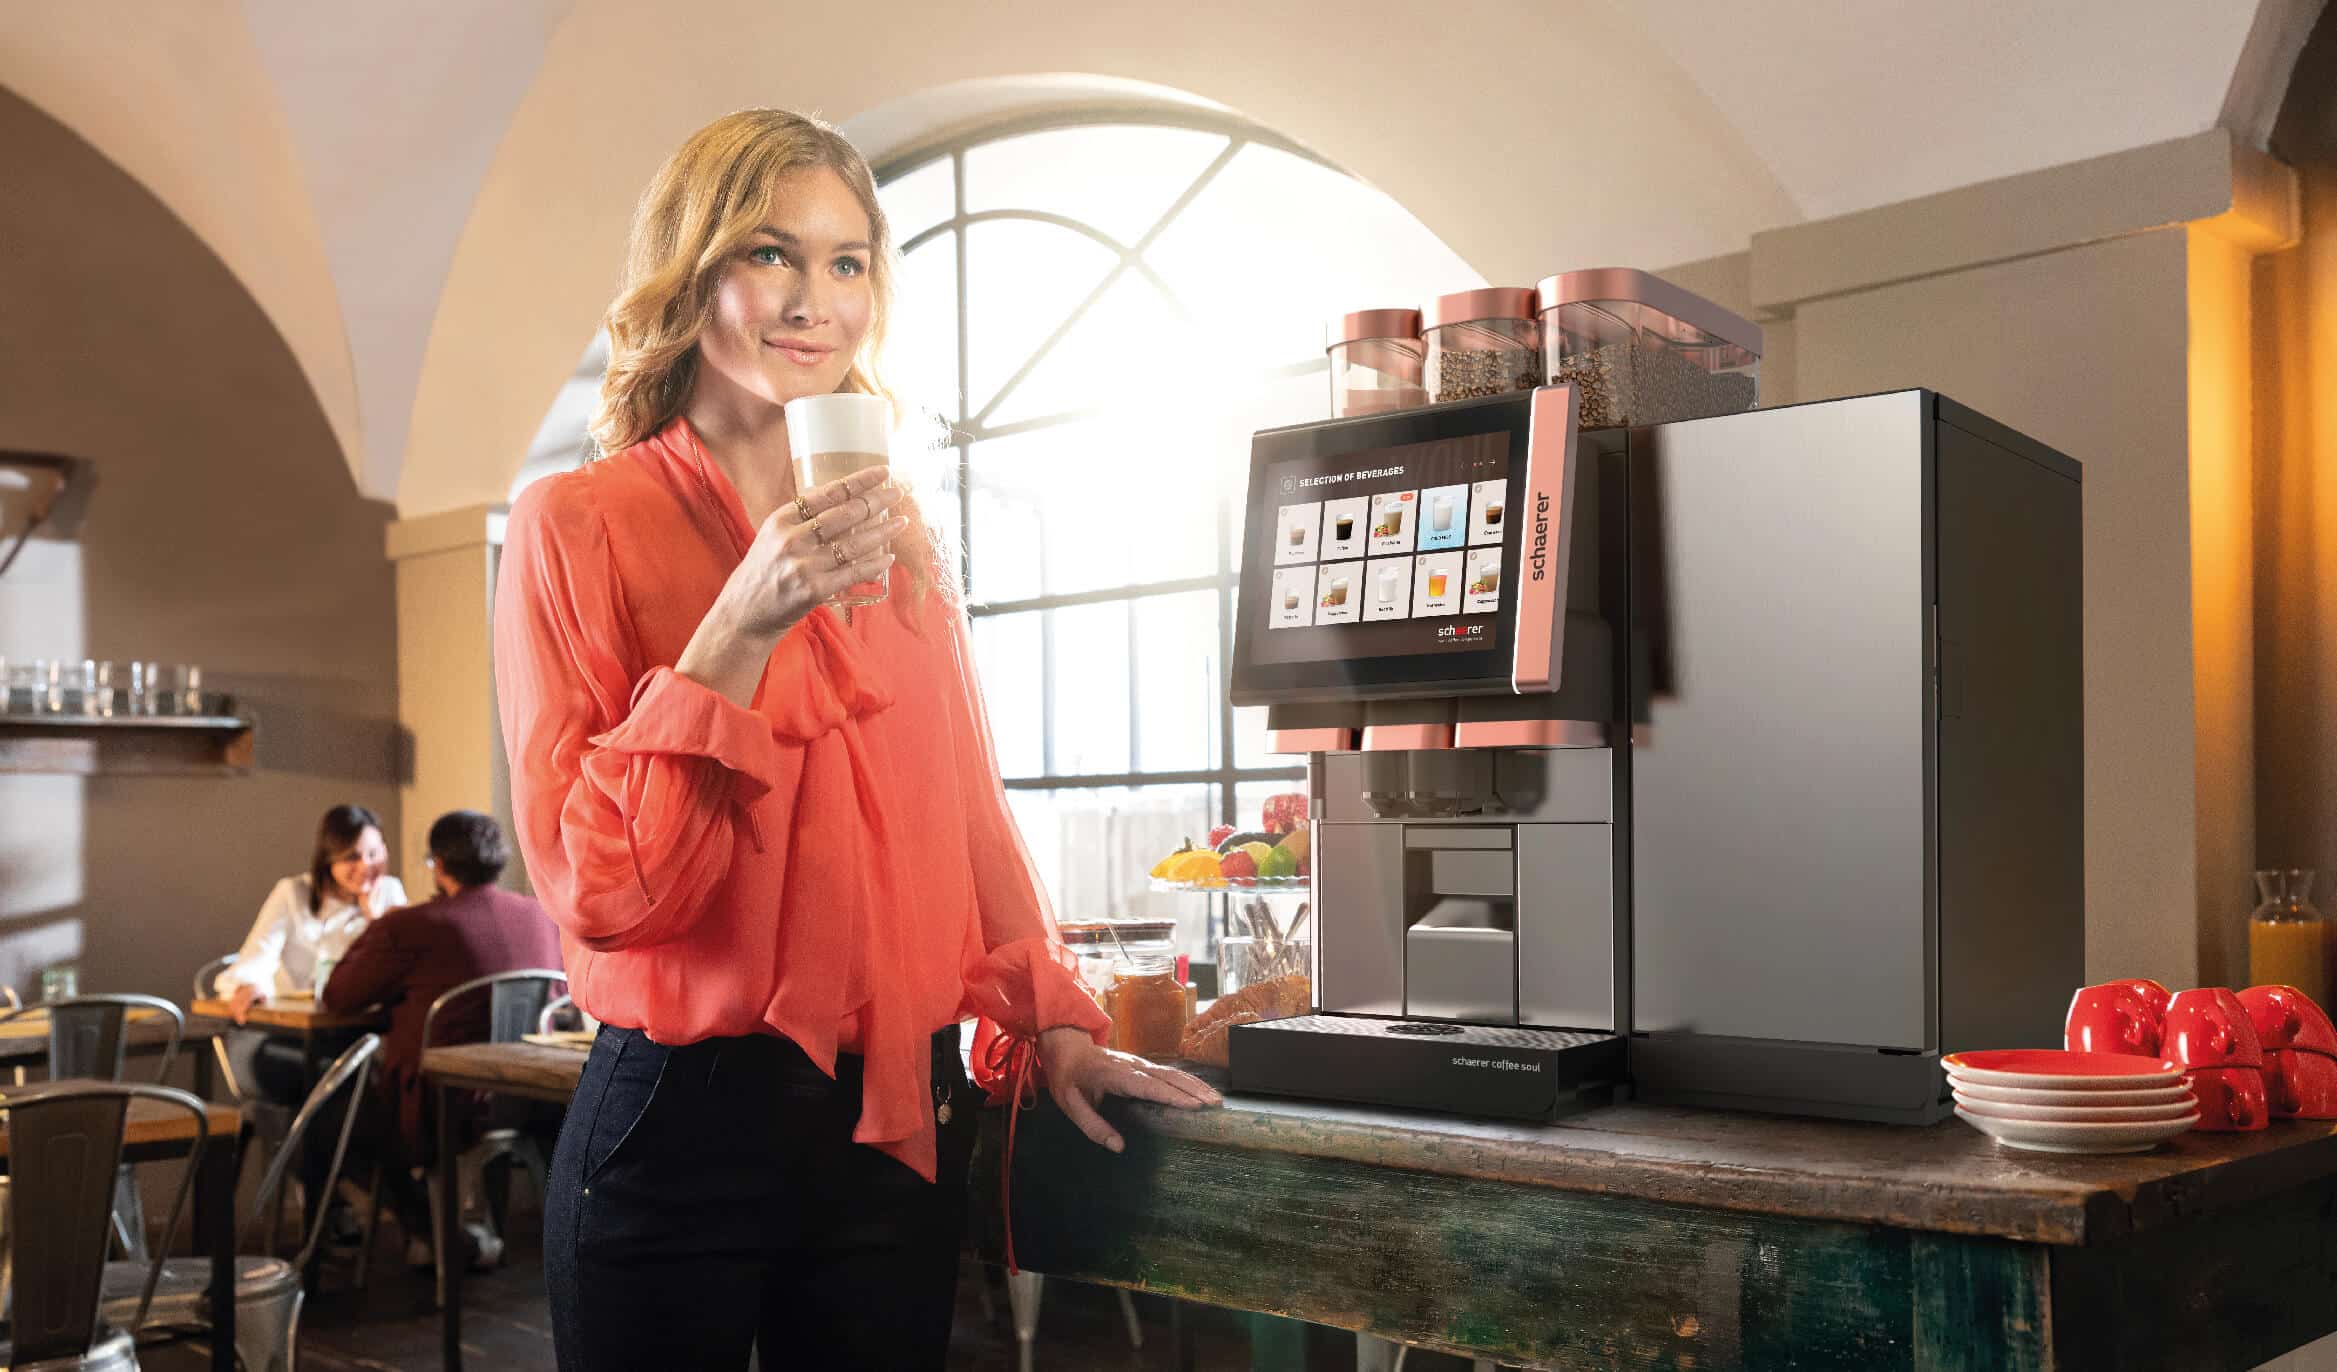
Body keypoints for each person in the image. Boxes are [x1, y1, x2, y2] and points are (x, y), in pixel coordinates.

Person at [494, 107, 1221, 1371]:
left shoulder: (903, 541)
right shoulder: (576, 522)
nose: (813, 299)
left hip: (894, 1129)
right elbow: (602, 890)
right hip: (676, 1128)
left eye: (848, 261)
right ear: (690, 270)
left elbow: (969, 811)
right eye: (771, 253)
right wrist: (736, 627)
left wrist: (1056, 1027)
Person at [320, 809, 564, 1267]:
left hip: (442, 1105)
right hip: (534, 1098)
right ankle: (450, 1234)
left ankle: (433, 1233)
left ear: (438, 865)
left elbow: (339, 997)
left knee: (332, 1115)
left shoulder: (412, 925)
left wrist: (376, 924)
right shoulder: (540, 915)